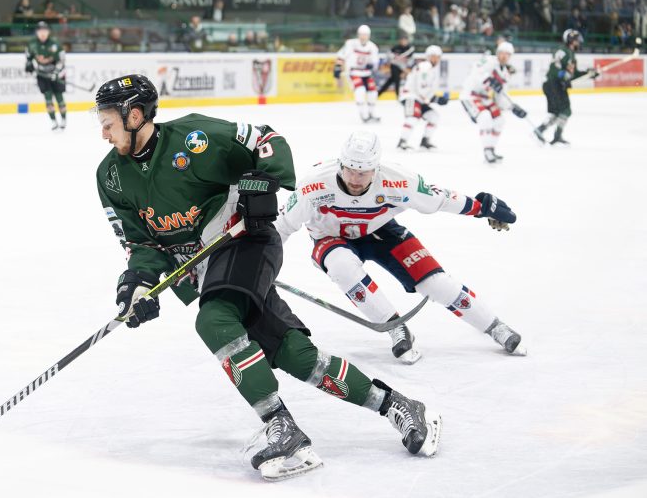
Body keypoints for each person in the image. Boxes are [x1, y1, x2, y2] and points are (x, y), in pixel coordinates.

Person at [94, 74, 442, 481]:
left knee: (213, 320)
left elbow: (266, 140)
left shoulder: (194, 137)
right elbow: (140, 244)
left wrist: (263, 181)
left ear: (135, 115)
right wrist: (135, 284)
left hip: (244, 240)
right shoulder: (110, 176)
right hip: (200, 270)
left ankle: (284, 427)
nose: (102, 132)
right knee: (296, 356)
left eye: (108, 122)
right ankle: (399, 405)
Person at [275, 131, 527, 364]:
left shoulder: (399, 180)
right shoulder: (314, 185)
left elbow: (439, 199)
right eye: (350, 170)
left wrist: (480, 208)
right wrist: (259, 265)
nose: (354, 179)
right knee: (341, 266)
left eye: (363, 173)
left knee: (435, 284)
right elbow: (282, 226)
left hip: (380, 231)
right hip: (329, 237)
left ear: (376, 168)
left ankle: (495, 326)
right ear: (341, 163)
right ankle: (395, 326)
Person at [460, 41, 528, 163]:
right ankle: (487, 151)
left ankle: (491, 149)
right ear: (497, 53)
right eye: (502, 53)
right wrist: (489, 80)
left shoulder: (505, 74)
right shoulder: (488, 61)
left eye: (507, 54)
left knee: (499, 120)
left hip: (485, 98)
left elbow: (500, 97)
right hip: (471, 95)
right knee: (485, 117)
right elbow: (476, 73)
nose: (504, 56)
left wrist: (512, 107)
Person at [534, 29, 598, 145]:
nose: (578, 43)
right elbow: (554, 67)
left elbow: (573, 74)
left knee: (559, 112)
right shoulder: (563, 51)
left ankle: (541, 131)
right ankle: (552, 134)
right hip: (553, 84)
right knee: (565, 110)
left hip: (557, 85)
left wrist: (589, 74)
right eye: (576, 40)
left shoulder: (571, 55)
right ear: (570, 40)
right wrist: (562, 76)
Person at [396, 45, 448, 151]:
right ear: (428, 57)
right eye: (433, 56)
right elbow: (421, 88)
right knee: (413, 118)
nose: (436, 59)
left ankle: (425, 141)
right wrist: (436, 99)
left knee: (433, 117)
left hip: (419, 99)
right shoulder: (425, 67)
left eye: (438, 56)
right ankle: (402, 142)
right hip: (410, 96)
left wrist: (434, 98)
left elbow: (428, 91)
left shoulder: (432, 69)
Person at [333, 24, 381, 123]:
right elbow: (340, 57)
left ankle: (372, 112)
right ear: (358, 35)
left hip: (367, 73)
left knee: (373, 92)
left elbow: (375, 62)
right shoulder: (351, 44)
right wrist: (337, 72)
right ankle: (363, 114)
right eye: (361, 34)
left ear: (369, 35)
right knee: (360, 91)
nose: (363, 37)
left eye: (365, 35)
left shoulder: (372, 47)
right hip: (354, 72)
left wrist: (372, 66)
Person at [25, 21, 67, 131]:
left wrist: (56, 73)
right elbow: (28, 57)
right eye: (40, 31)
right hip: (42, 75)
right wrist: (29, 65)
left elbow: (61, 60)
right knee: (48, 98)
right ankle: (53, 121)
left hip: (56, 74)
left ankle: (63, 119)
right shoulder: (32, 44)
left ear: (48, 32)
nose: (42, 33)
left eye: (45, 31)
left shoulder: (55, 44)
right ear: (36, 32)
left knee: (59, 97)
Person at [377, 33, 414, 100]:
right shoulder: (396, 48)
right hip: (394, 66)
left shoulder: (409, 49)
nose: (403, 41)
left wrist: (406, 69)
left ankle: (378, 93)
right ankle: (398, 96)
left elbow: (410, 61)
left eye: (405, 40)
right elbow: (389, 55)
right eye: (402, 40)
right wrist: (392, 57)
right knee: (397, 79)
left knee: (390, 80)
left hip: (402, 68)